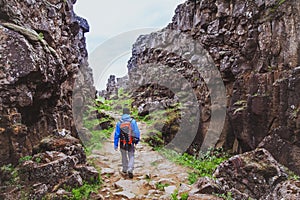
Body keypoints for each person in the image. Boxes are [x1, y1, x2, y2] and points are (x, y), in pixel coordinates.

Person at [114, 108, 140, 178]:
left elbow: (116, 134)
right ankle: (130, 169)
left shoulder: (119, 122)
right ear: (129, 113)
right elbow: (137, 132)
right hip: (130, 141)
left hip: (122, 142)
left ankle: (125, 169)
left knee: (124, 155)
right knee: (131, 155)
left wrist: (115, 144)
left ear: (122, 113)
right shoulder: (132, 121)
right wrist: (137, 140)